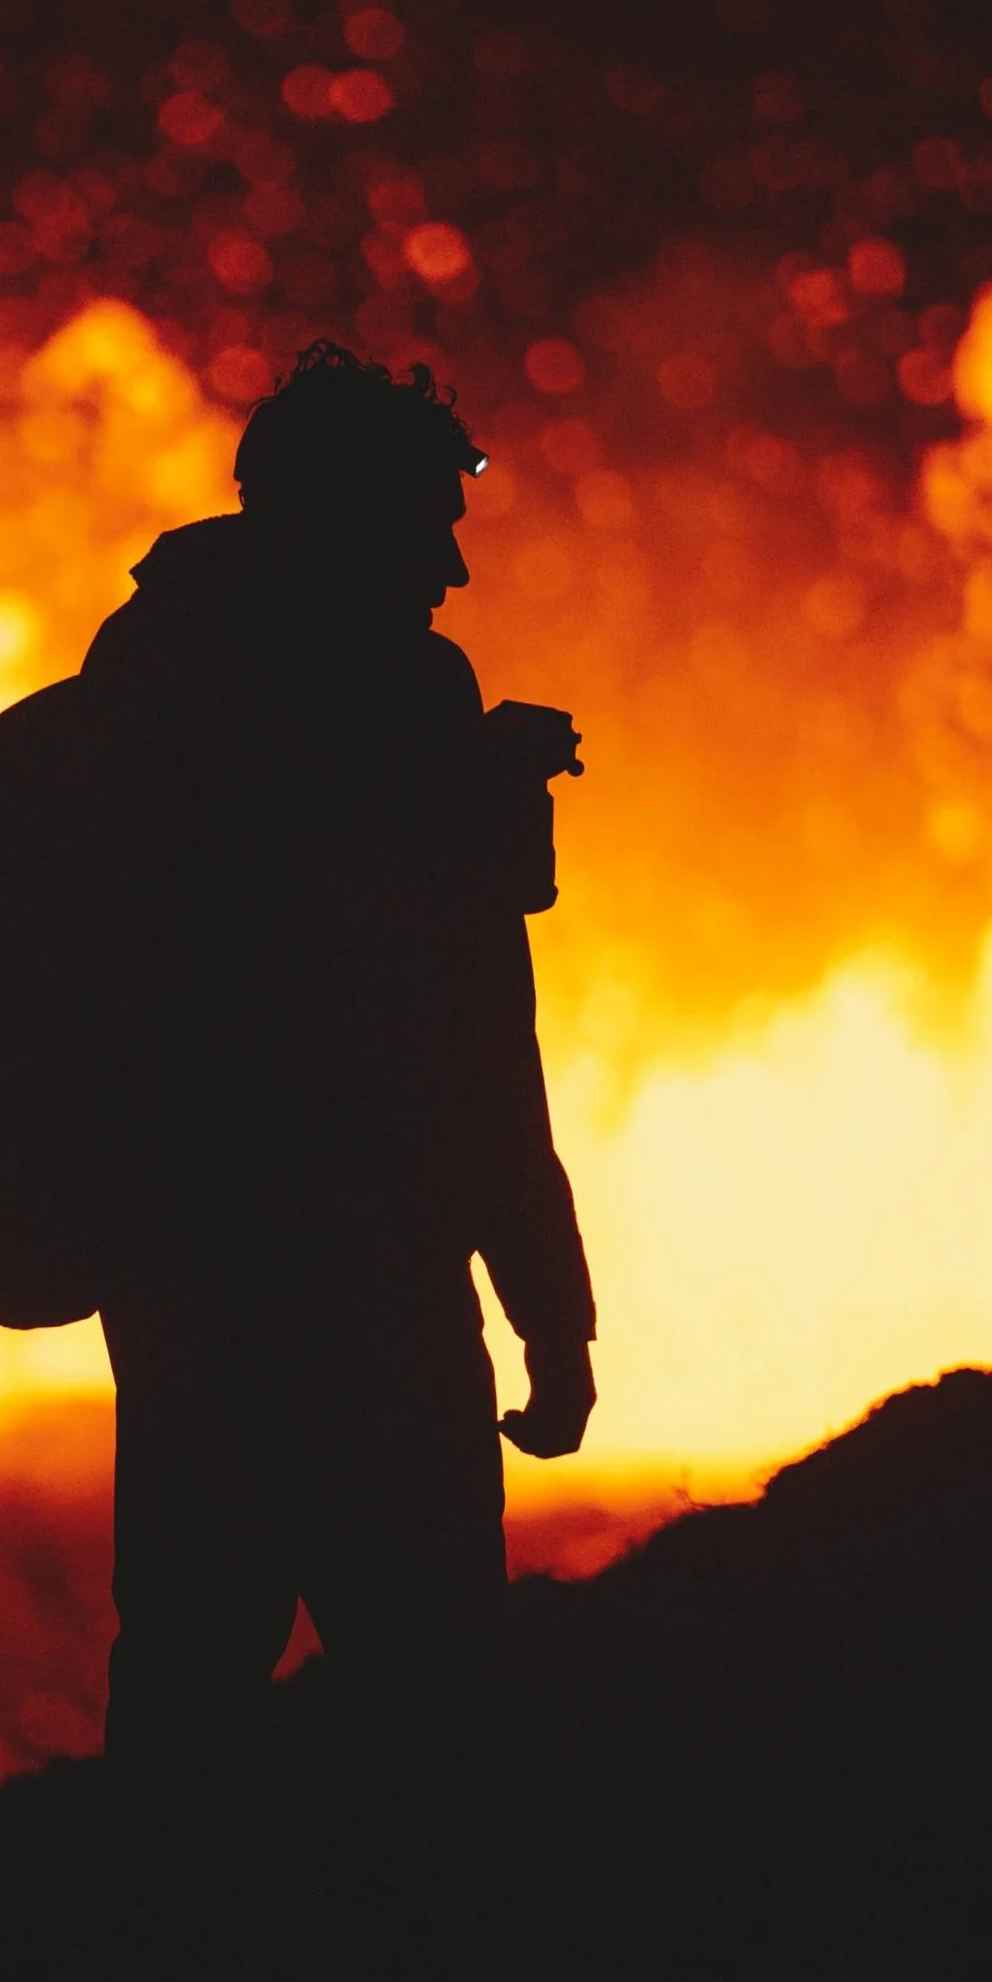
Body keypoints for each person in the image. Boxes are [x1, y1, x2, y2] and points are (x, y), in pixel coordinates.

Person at [74, 341, 595, 1767]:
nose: (453, 571)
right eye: (429, 529)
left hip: (186, 1289)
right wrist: (550, 1314)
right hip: (374, 1295)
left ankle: (152, 1910)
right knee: (437, 1714)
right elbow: (468, 1040)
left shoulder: (144, 675)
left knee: (184, 1701)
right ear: (349, 523)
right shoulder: (405, 701)